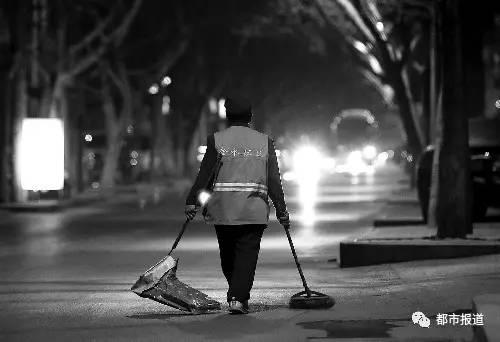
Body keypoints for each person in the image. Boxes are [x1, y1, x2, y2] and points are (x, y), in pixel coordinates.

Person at [185, 96, 290, 314]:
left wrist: (192, 202)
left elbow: (205, 174)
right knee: (246, 255)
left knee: (228, 256)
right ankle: (238, 296)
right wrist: (281, 208)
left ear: (227, 116)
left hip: (222, 210)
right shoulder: (264, 141)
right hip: (253, 210)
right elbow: (273, 179)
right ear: (250, 117)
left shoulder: (216, 139)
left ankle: (236, 295)